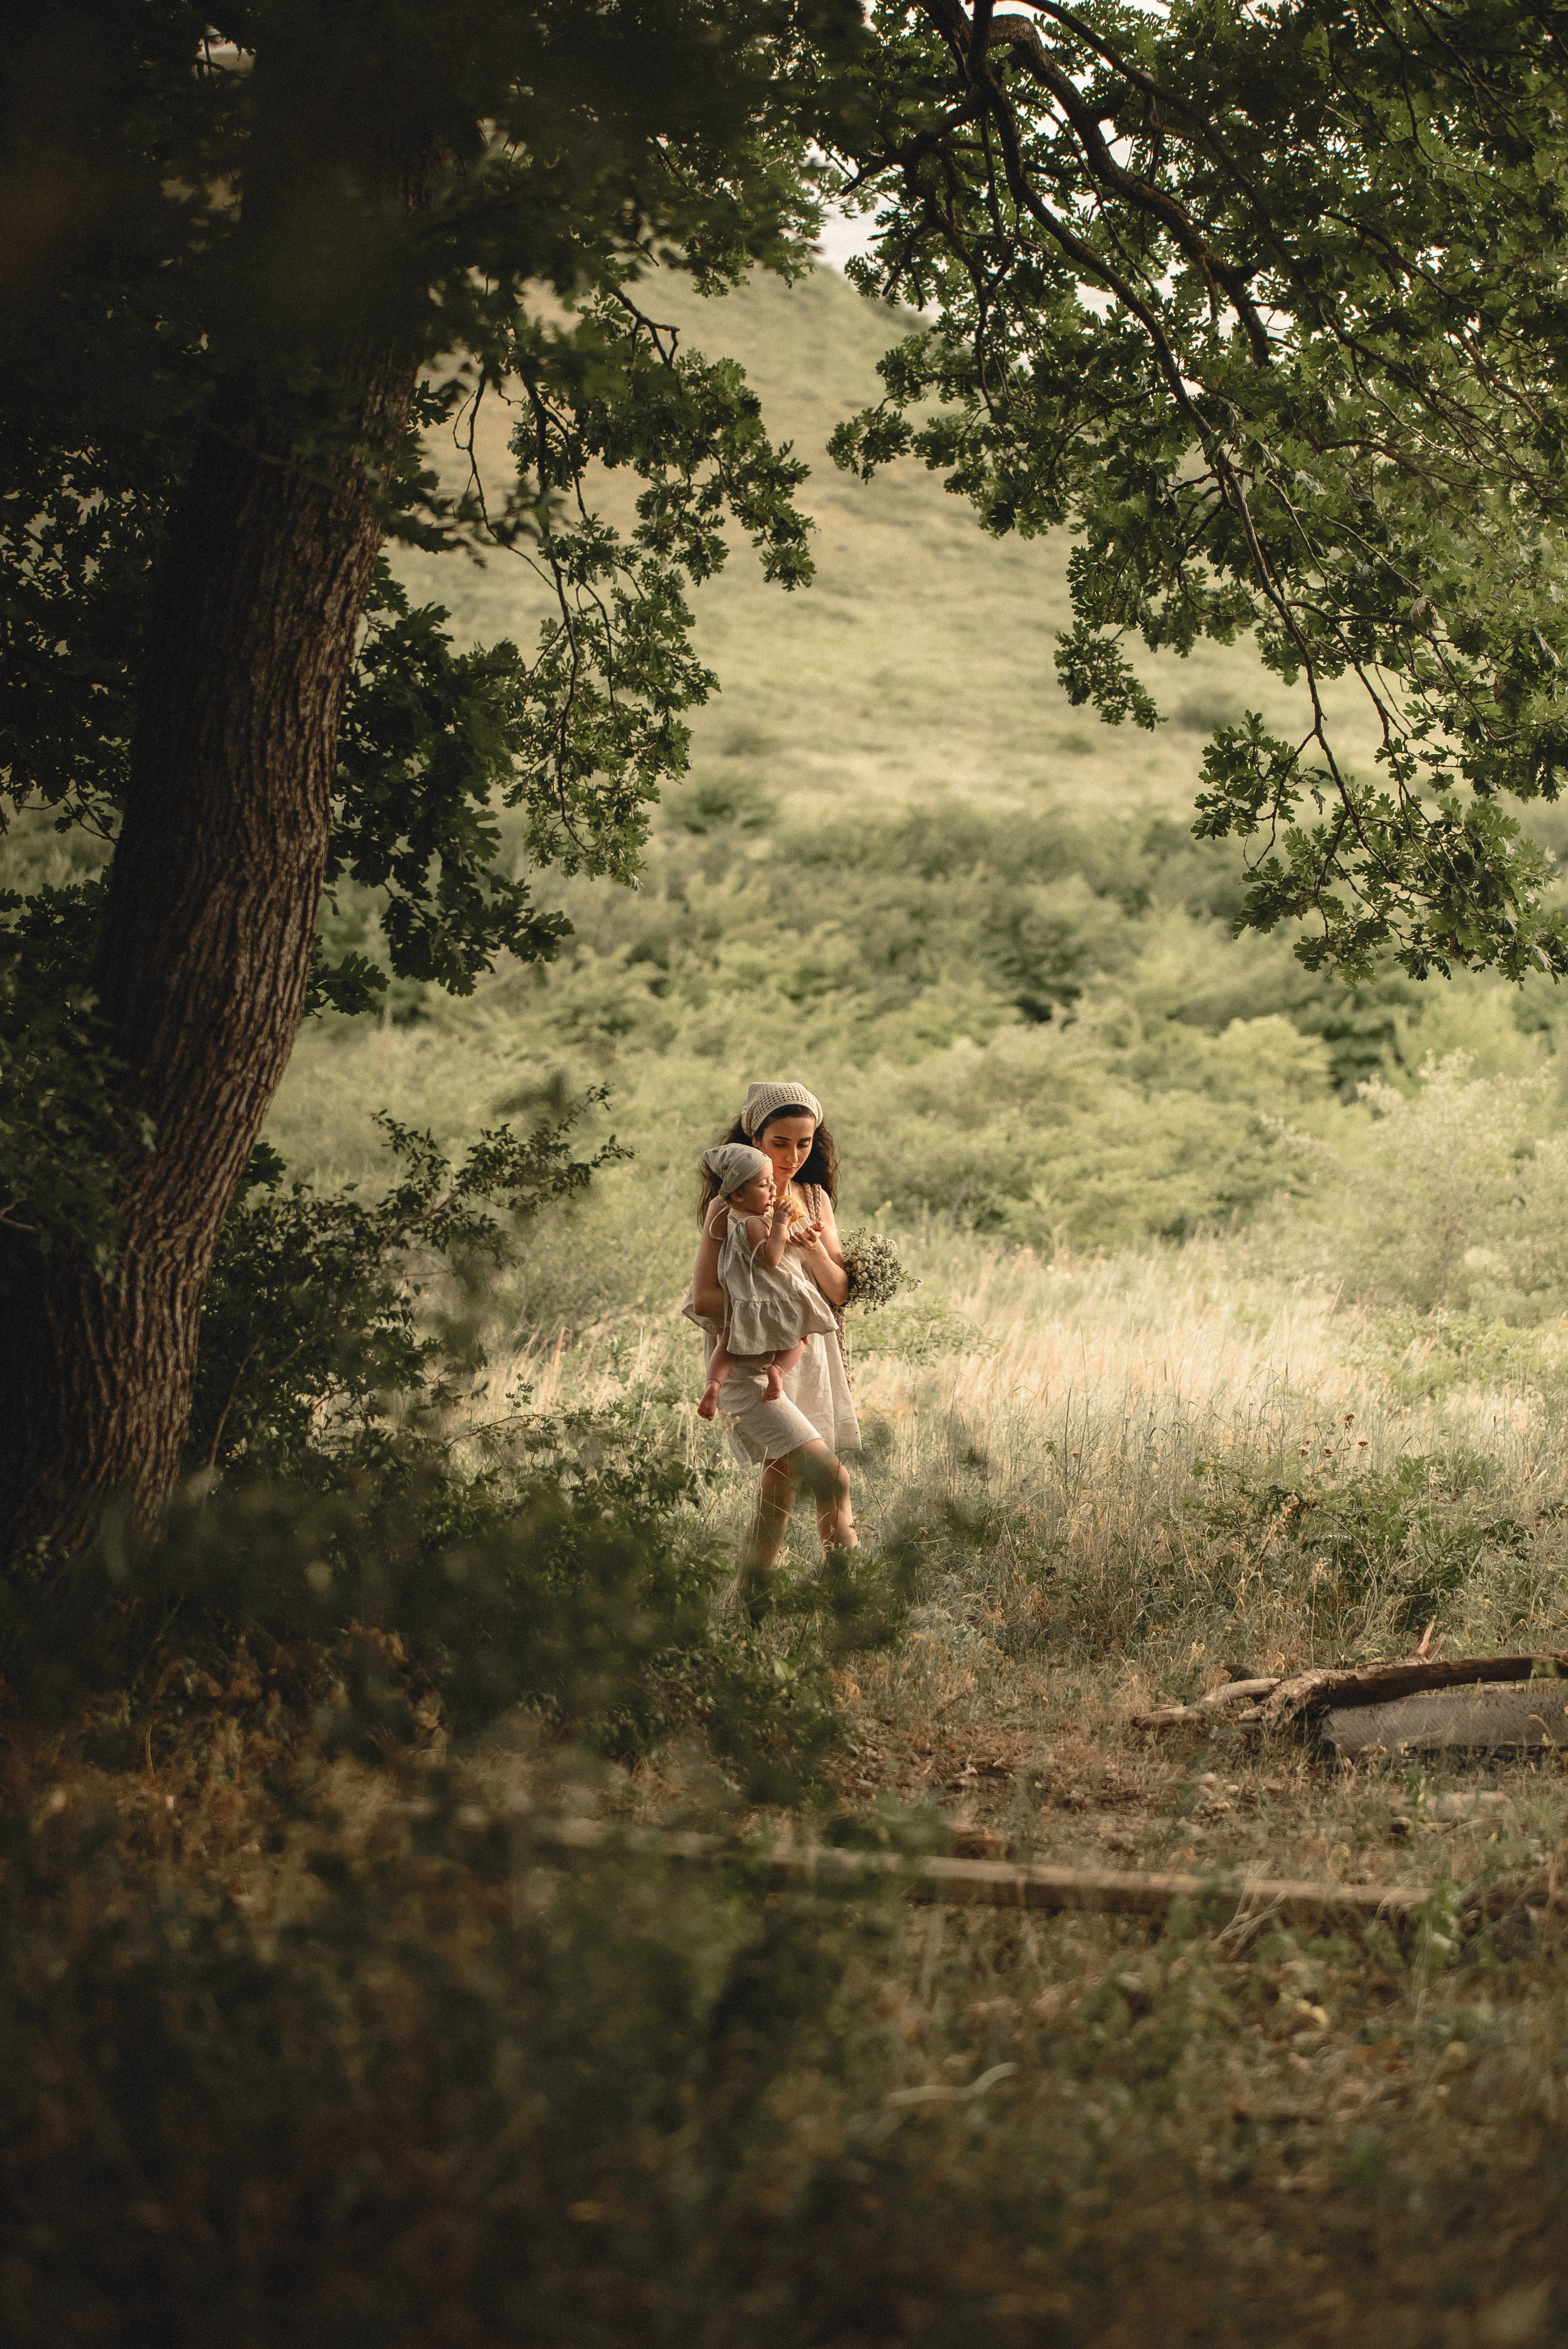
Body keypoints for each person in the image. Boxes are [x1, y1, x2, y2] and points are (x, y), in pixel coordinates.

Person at [685, 1080, 861, 1574]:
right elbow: (704, 1299)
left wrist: (806, 1246)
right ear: (753, 1137)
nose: (792, 1157)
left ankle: (751, 1602)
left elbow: (839, 1289)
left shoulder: (814, 1197)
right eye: (780, 1143)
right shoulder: (732, 1206)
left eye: (804, 1143)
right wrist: (769, 1313)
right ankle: (851, 1595)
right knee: (830, 1477)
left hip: (804, 1352)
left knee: (781, 1482)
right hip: (749, 1354)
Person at [695, 1142, 839, 1420]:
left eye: (773, 1182)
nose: (774, 1190)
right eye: (764, 1185)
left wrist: (797, 1237)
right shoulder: (753, 1222)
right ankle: (778, 1370)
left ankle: (714, 1383)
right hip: (763, 1295)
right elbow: (771, 1257)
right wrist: (782, 1223)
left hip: (742, 1299)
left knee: (728, 1345)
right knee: (800, 1336)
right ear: (738, 1194)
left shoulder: (734, 1216)